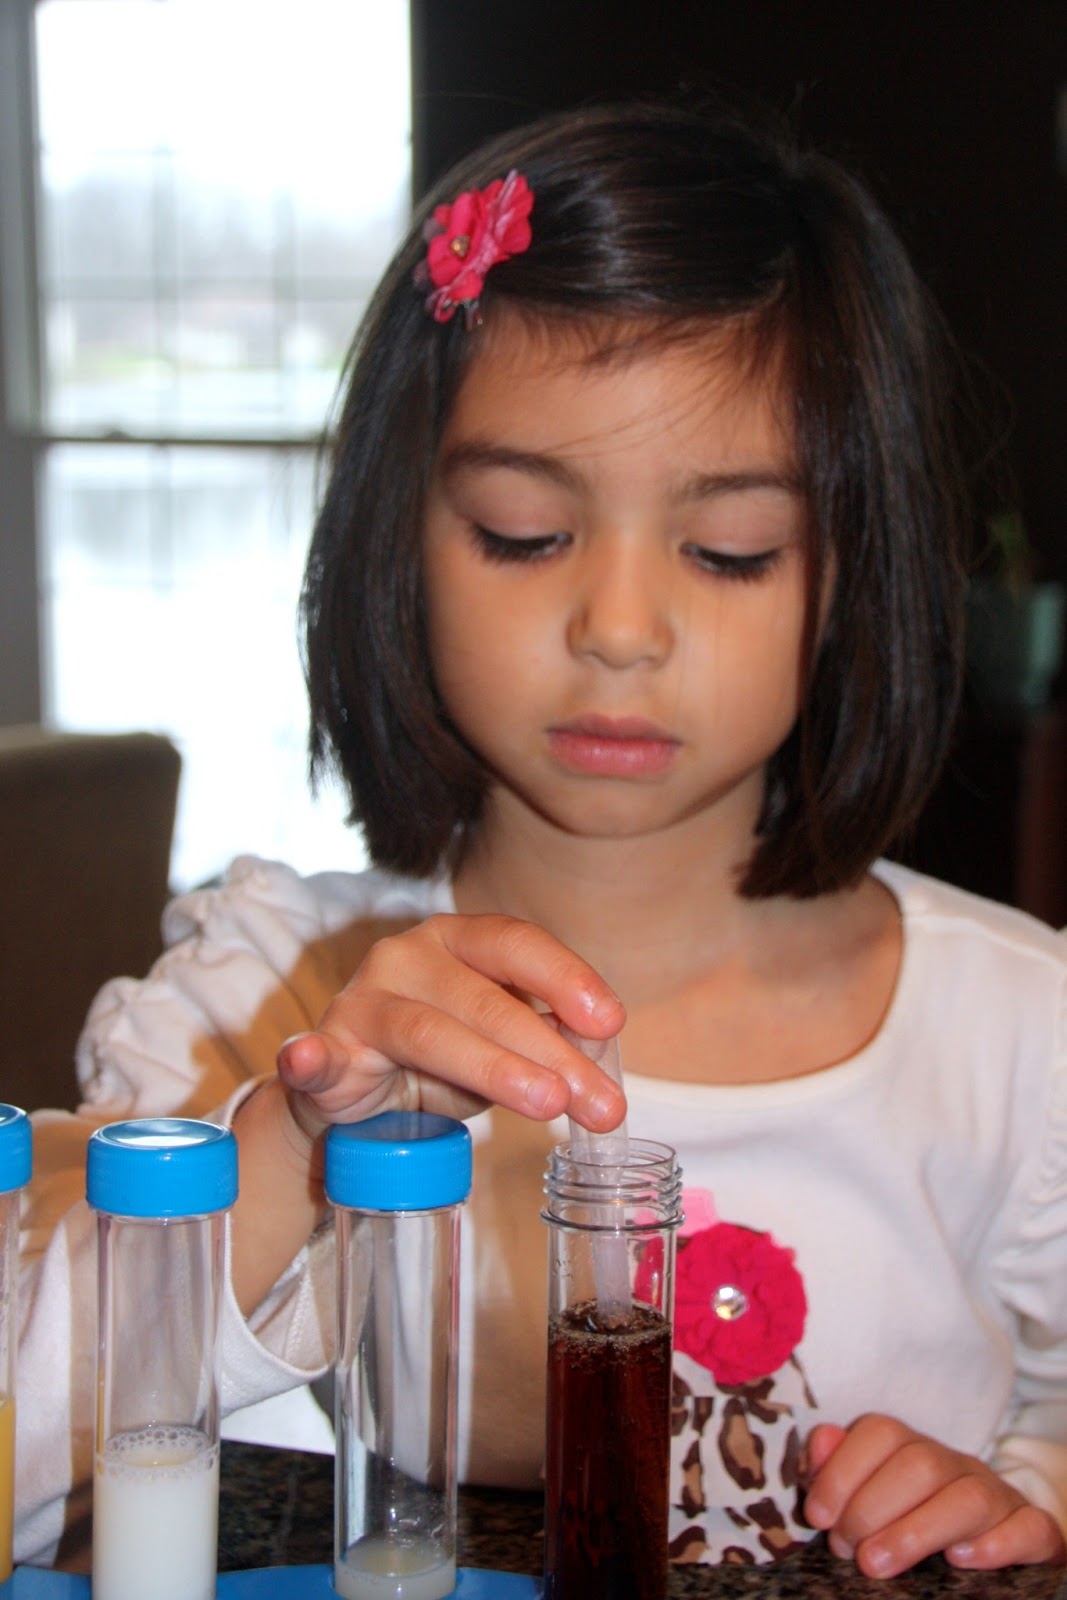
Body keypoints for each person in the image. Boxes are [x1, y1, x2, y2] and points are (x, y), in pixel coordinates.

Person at [17, 94, 1067, 1577]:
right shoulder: (266, 998)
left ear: (850, 570)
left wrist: (1027, 1490)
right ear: (400, 536)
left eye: (730, 552)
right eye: (523, 531)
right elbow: (34, 1444)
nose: (620, 628)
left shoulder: (1020, 1035)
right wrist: (286, 1149)